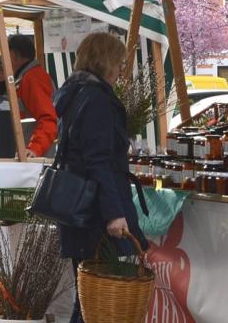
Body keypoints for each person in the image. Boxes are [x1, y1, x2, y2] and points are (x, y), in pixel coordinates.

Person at [52, 32, 148, 323]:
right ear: (105, 62)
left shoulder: (75, 93)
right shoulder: (96, 100)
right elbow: (99, 162)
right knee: (97, 300)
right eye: (118, 63)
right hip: (95, 212)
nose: (121, 70)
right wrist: (114, 214)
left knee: (87, 297)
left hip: (78, 208)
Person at [6, 35, 57, 157]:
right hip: (30, 156)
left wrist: (34, 149)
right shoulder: (26, 78)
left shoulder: (32, 79)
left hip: (35, 159)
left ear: (13, 55)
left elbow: (49, 119)